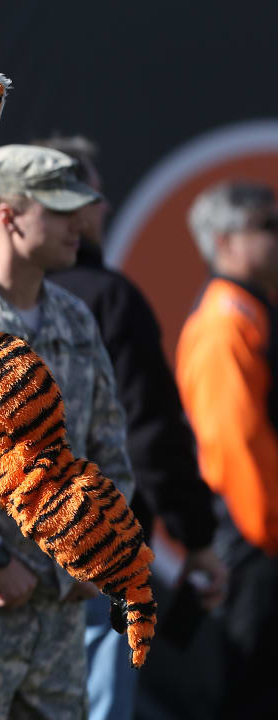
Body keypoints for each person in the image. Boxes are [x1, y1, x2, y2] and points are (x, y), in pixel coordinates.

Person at [0, 144, 135, 720]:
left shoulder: (75, 317)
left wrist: (97, 549)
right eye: (60, 210)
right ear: (9, 216)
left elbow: (109, 451)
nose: (80, 225)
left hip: (61, 610)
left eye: (80, 210)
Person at [37, 136, 226, 720]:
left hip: (4, 563)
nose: (102, 208)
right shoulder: (108, 299)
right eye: (86, 195)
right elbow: (150, 431)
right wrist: (195, 536)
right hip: (91, 556)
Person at [176, 180, 278, 717]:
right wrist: (270, 532)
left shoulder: (252, 313)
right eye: (269, 227)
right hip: (253, 549)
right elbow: (236, 445)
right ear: (225, 242)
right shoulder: (226, 323)